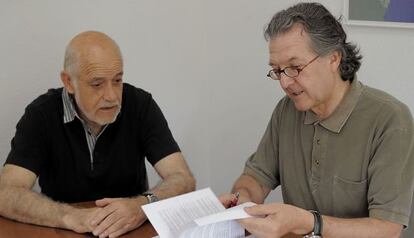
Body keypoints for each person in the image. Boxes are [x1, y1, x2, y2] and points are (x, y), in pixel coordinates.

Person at [220, 2, 414, 238]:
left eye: (295, 67)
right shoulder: (286, 110)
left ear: (333, 59)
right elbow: (256, 177)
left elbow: (387, 230)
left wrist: (309, 223)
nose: (284, 82)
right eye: (278, 70)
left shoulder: (390, 120)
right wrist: (243, 201)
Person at [0, 31, 195, 238]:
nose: (112, 96)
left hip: (130, 229)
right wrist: (70, 216)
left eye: (117, 80)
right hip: (64, 231)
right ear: (68, 82)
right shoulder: (41, 115)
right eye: (97, 84)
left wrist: (142, 205)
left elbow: (182, 178)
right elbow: (6, 193)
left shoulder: (140, 105)